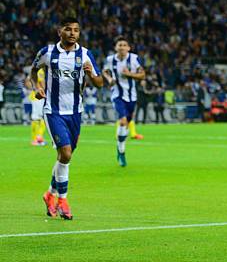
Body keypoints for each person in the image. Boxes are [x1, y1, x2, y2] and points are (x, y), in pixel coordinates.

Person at [31, 16, 104, 220]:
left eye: (76, 30)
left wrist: (91, 75)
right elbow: (33, 71)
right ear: (59, 32)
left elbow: (99, 83)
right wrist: (37, 86)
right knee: (66, 154)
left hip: (75, 112)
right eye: (68, 29)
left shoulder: (85, 54)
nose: (73, 33)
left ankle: (49, 194)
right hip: (53, 111)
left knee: (64, 157)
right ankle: (63, 200)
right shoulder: (47, 52)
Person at [102, 36, 145, 167]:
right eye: (119, 45)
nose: (121, 47)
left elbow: (142, 75)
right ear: (116, 48)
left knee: (127, 124)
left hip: (132, 96)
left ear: (128, 48)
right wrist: (109, 79)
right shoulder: (110, 59)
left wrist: (129, 74)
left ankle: (120, 146)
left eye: (124, 45)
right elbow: (105, 71)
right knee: (123, 121)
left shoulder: (134, 58)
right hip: (117, 95)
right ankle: (121, 151)